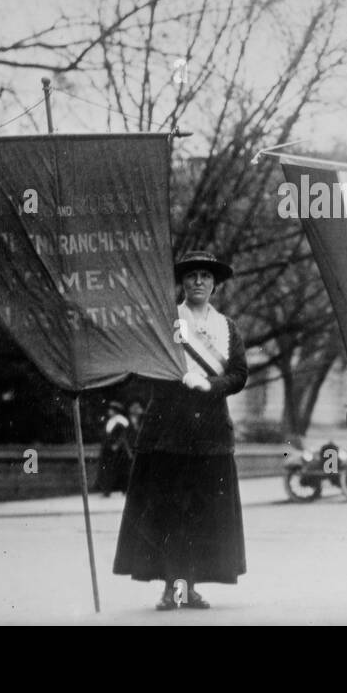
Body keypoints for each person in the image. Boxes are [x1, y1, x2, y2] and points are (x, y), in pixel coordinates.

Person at [113, 250, 247, 610]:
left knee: (203, 515)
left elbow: (238, 374)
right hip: (168, 433)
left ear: (215, 285)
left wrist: (212, 386)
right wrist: (178, 377)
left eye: (205, 276)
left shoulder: (228, 328)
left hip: (211, 435)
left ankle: (190, 586)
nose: (198, 282)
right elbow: (143, 367)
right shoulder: (165, 323)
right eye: (191, 277)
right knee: (170, 514)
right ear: (182, 283)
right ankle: (172, 586)